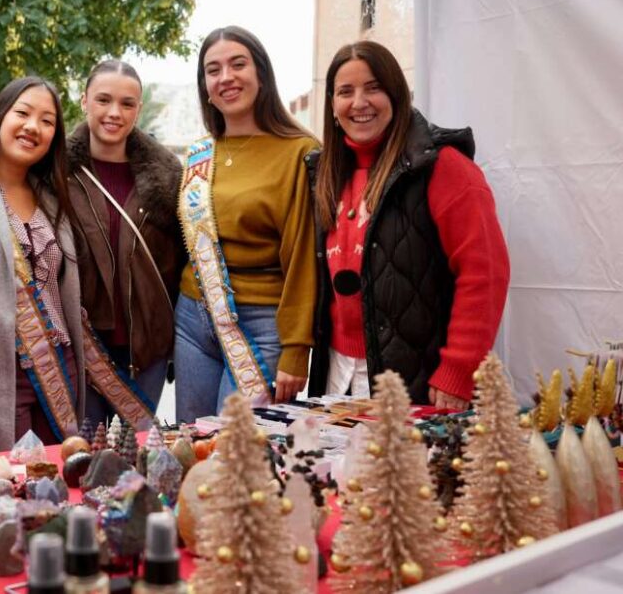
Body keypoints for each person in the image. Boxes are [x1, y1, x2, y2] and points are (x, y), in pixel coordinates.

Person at [307, 40, 510, 408]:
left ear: (397, 94)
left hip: (416, 378)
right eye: (345, 92)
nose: (359, 102)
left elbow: (485, 272)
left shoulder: (442, 167)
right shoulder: (323, 173)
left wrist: (459, 370)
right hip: (337, 371)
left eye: (373, 88)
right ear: (332, 106)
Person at [175, 26, 319, 422]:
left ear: (261, 73)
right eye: (213, 69)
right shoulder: (199, 154)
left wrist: (297, 347)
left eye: (238, 64)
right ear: (205, 85)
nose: (226, 78)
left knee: (238, 456)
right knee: (191, 444)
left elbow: (304, 256)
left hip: (262, 325)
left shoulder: (300, 152)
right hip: (192, 317)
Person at [0, 77, 87, 456]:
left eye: (47, 121)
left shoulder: (53, 199)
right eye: (22, 113)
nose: (32, 127)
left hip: (61, 366)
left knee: (58, 482)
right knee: (3, 489)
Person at [66, 60, 184, 429]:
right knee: (84, 453)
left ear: (139, 109)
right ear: (84, 101)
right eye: (103, 100)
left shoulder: (171, 179)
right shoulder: (55, 172)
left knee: (141, 455)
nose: (114, 113)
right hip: (82, 347)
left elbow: (183, 262)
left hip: (147, 346)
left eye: (127, 103)